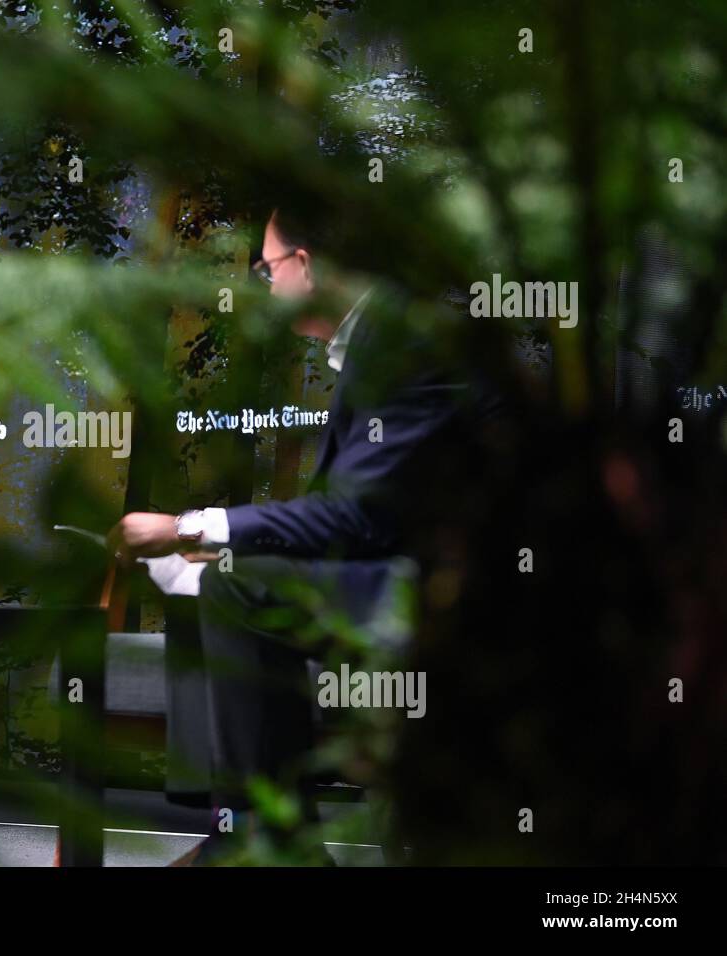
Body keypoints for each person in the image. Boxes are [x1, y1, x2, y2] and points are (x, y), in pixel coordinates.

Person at [107, 208, 502, 864]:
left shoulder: (401, 342)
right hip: (410, 571)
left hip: (461, 594)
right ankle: (242, 835)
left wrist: (189, 524)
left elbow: (357, 520)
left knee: (232, 583)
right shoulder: (382, 337)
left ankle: (273, 846)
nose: (262, 285)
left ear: (308, 264)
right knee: (215, 576)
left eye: (266, 269)